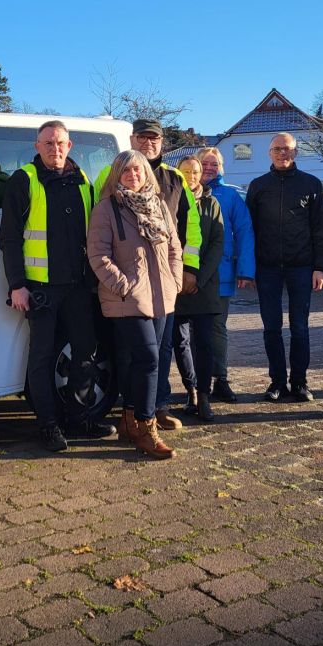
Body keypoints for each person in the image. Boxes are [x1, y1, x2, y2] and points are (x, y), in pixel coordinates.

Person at [0, 120, 114, 451]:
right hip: (40, 288)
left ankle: (80, 418)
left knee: (84, 351)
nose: (55, 148)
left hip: (78, 286)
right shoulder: (25, 179)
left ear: (70, 145)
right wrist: (17, 285)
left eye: (60, 143)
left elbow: (94, 233)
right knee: (41, 356)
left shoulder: (83, 181)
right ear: (37, 147)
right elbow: (9, 238)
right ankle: (48, 425)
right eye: (48, 143)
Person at [94, 119, 199, 429]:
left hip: (162, 285)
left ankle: (157, 406)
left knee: (161, 351)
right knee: (135, 354)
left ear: (162, 142)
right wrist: (123, 285)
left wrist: (181, 274)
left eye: (154, 138)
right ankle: (136, 414)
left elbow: (187, 229)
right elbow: (98, 236)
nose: (148, 143)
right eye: (142, 137)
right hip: (130, 289)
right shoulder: (108, 178)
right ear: (132, 139)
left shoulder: (175, 178)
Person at [88, 150, 186, 458]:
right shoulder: (107, 209)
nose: (133, 175)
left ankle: (129, 418)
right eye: (127, 171)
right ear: (117, 175)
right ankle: (147, 428)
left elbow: (174, 246)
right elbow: (98, 255)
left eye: (139, 170)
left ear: (147, 173)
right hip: (129, 299)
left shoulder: (157, 205)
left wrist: (175, 280)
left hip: (162, 296)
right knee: (149, 361)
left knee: (138, 362)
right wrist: (124, 286)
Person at [246, 133, 323, 402]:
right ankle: (277, 382)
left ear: (296, 153)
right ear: (269, 153)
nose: (283, 153)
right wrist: (248, 269)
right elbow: (249, 231)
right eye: (278, 149)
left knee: (300, 327)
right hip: (267, 267)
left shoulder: (311, 184)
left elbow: (320, 230)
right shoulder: (258, 186)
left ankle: (300, 382)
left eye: (289, 149)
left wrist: (321, 267)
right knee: (271, 327)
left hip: (301, 267)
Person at [195, 146, 255, 403]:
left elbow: (244, 232)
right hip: (190, 273)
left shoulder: (230, 196)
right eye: (204, 164)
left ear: (221, 167)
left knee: (217, 328)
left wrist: (245, 270)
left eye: (214, 164)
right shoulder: (184, 191)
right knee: (191, 333)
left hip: (222, 272)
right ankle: (195, 384)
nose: (209, 168)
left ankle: (220, 379)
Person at [172, 158, 225, 421]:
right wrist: (177, 277)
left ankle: (204, 395)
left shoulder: (212, 204)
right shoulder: (169, 199)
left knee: (204, 342)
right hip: (174, 285)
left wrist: (198, 278)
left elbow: (217, 243)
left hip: (203, 286)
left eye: (195, 172)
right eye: (186, 171)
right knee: (178, 342)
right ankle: (190, 389)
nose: (191, 176)